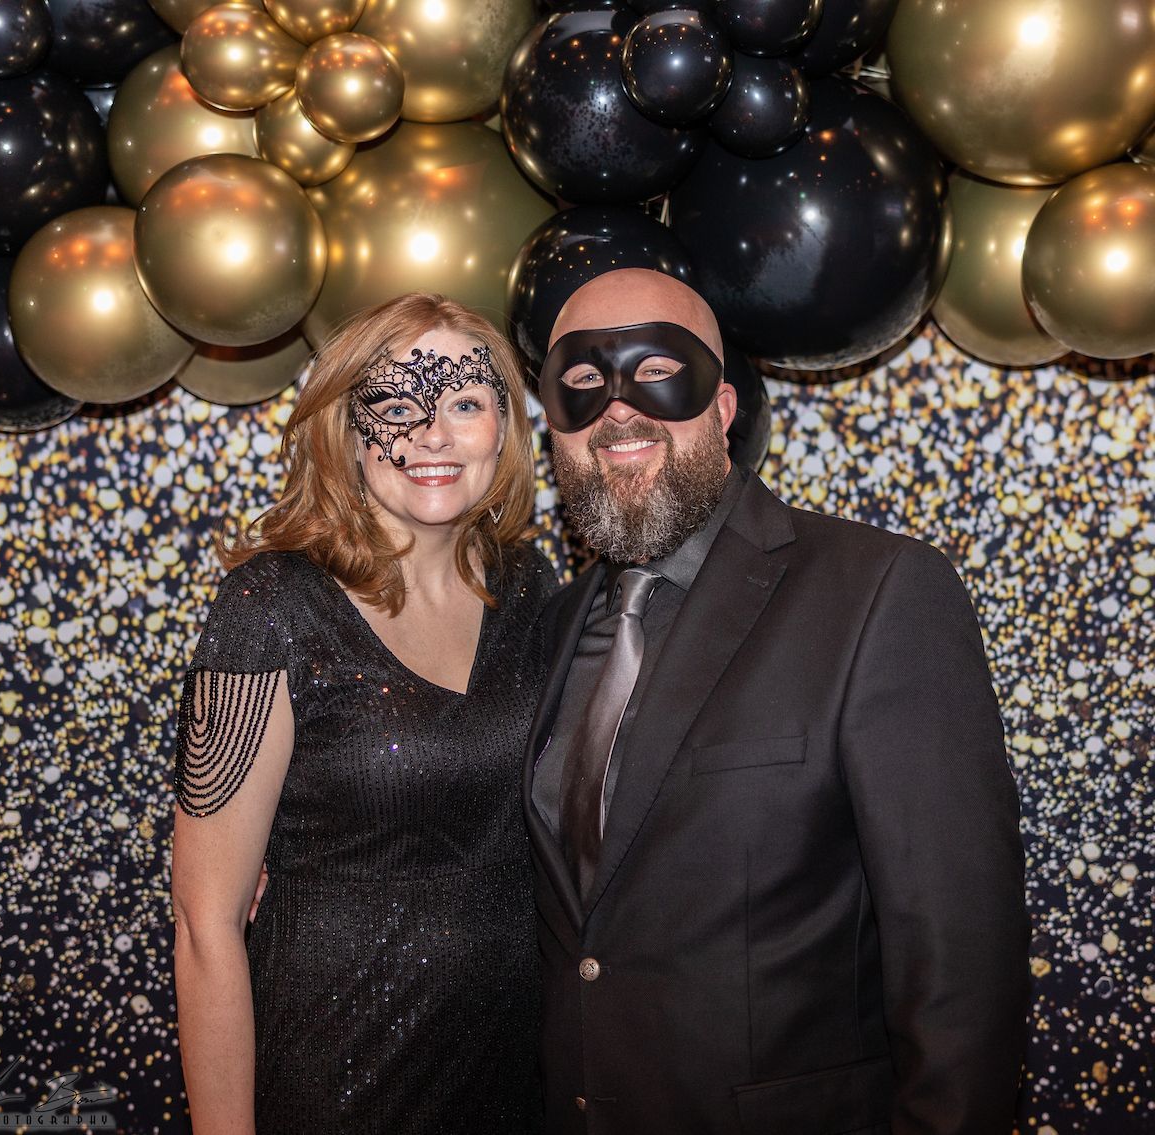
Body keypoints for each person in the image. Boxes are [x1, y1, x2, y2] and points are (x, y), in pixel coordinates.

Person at [524, 268, 1030, 1134]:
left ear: (723, 410)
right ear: (554, 433)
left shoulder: (878, 594)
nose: (617, 410)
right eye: (580, 382)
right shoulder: (551, 626)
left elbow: (961, 974)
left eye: (657, 371)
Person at [171, 293, 555, 1134]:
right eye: (394, 405)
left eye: (463, 402)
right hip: (341, 1070)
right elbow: (206, 927)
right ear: (345, 429)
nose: (431, 435)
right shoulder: (270, 606)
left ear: (504, 428)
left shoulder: (532, 589)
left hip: (517, 1070)